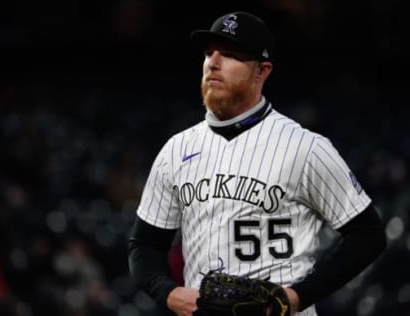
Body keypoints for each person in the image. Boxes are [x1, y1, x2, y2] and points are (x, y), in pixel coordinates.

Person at [128, 11, 387, 316]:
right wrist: (168, 293)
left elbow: (368, 235)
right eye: (209, 53)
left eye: (230, 55)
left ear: (262, 71)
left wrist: (297, 296)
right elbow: (144, 244)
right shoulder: (177, 150)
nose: (213, 62)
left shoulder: (305, 148)